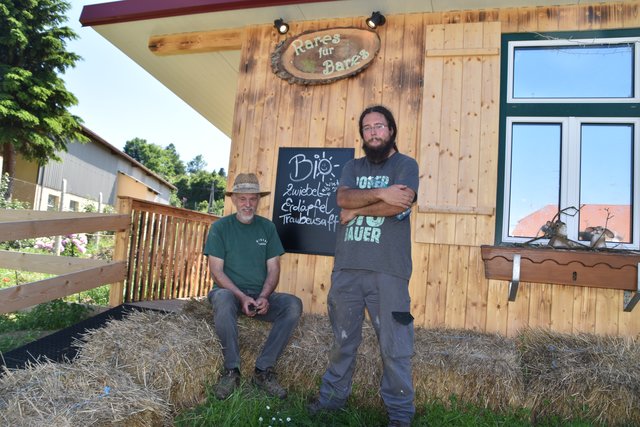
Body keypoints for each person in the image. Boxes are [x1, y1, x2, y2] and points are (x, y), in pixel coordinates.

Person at [308, 105, 419, 427]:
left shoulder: (405, 165)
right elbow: (343, 199)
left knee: (395, 347)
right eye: (367, 127)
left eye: (379, 126)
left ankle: (400, 416)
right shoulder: (352, 167)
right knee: (343, 341)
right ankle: (331, 401)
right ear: (362, 134)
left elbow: (401, 202)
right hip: (347, 270)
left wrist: (359, 210)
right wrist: (381, 193)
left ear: (391, 131)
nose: (373, 132)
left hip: (390, 272)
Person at [204, 172, 303, 400]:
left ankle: (263, 370)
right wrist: (241, 297)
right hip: (230, 294)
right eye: (243, 199)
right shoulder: (220, 228)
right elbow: (216, 271)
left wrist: (264, 296)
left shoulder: (267, 228)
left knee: (293, 305)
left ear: (258, 200)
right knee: (222, 298)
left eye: (253, 199)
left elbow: (274, 268)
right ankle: (232, 370)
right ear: (234, 200)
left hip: (258, 296)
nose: (248, 204)